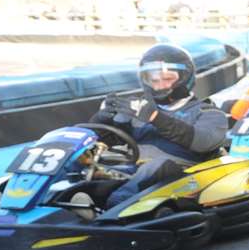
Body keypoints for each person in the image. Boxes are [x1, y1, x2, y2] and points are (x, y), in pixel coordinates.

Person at [92, 43, 229, 214]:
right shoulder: (139, 109)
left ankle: (110, 208)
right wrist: (102, 120)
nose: (160, 86)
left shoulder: (208, 112)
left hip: (186, 177)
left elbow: (202, 141)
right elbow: (107, 140)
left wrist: (155, 118)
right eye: (154, 80)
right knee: (93, 172)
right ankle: (75, 205)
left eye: (167, 79)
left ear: (185, 78)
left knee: (157, 166)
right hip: (140, 174)